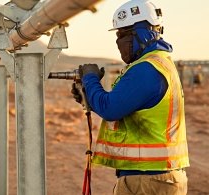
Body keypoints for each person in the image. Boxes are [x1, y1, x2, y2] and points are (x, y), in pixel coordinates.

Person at [71, 0, 190, 194]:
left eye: (123, 34)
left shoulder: (147, 69)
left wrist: (90, 79)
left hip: (149, 180)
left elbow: (111, 109)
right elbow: (125, 108)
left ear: (142, 32)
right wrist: (90, 98)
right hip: (156, 177)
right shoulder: (158, 63)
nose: (119, 41)